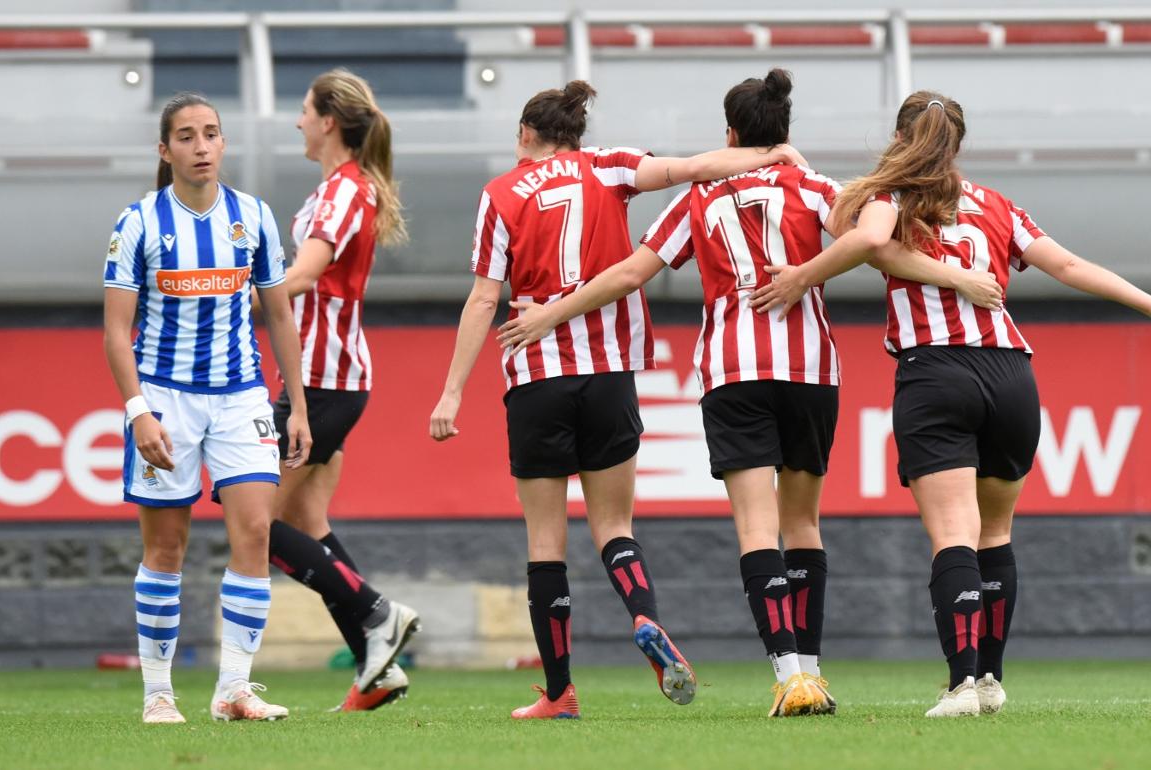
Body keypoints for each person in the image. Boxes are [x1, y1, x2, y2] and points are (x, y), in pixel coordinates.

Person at [496, 70, 1002, 717]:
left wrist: (551, 312)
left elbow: (630, 273)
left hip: (733, 371)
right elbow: (867, 241)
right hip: (811, 370)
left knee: (756, 526)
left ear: (731, 135)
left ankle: (789, 677)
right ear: (784, 135)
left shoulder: (698, 200)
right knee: (803, 524)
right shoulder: (815, 186)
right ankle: (814, 673)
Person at [749, 90, 1151, 717]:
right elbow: (1068, 266)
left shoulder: (888, 200)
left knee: (953, 536)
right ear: (958, 143)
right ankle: (990, 681)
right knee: (996, 532)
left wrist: (804, 274)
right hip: (1012, 373)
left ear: (901, 137)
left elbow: (867, 242)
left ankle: (962, 683)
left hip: (937, 371)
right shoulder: (996, 205)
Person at [428, 78, 812, 720]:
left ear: (525, 136)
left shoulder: (499, 195)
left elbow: (483, 299)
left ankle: (559, 692)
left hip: (535, 373)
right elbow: (694, 168)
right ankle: (645, 618)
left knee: (545, 541)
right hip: (609, 373)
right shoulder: (610, 167)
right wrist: (770, 155)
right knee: (615, 526)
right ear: (576, 136)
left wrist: (451, 392)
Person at [103, 92, 313, 724]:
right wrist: (139, 410)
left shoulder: (253, 217)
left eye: (211, 134)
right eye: (187, 137)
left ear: (224, 144)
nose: (201, 147)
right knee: (167, 549)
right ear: (165, 150)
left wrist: (295, 405)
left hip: (240, 397)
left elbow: (278, 313)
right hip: (165, 400)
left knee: (254, 532)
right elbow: (117, 331)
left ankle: (233, 690)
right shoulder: (138, 222)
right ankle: (159, 694)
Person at [256, 69, 421, 711]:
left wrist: (230, 294)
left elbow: (304, 275)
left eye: (303, 111)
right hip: (329, 378)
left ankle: (376, 610)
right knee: (306, 522)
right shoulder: (344, 188)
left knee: (257, 526)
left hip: (322, 381)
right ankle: (375, 667)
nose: (297, 121)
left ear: (328, 121)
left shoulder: (344, 191)